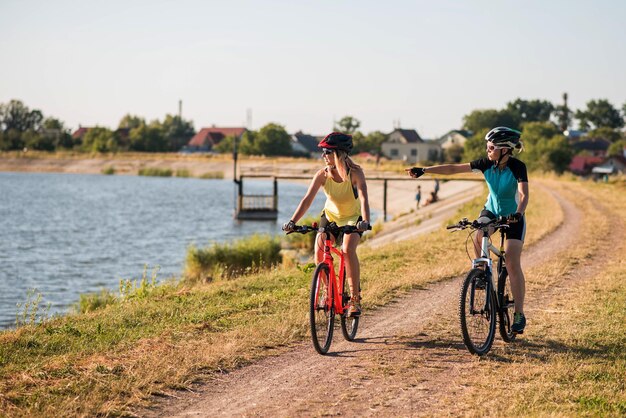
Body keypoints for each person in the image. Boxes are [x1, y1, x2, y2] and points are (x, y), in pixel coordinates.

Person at [405, 127, 529, 334]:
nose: (487, 151)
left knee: (513, 262)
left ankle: (519, 314)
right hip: (491, 211)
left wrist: (518, 213)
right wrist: (425, 170)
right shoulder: (485, 164)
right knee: (479, 232)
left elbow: (523, 195)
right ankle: (481, 273)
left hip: (514, 215)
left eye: (491, 147)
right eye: (487, 147)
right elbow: (454, 169)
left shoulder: (517, 167)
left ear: (505, 150)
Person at [283, 132, 371, 317]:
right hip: (330, 217)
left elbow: (363, 197)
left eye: (327, 152)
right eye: (323, 152)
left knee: (347, 250)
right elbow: (307, 200)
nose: (323, 156)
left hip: (353, 218)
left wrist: (365, 221)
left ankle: (355, 299)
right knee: (319, 252)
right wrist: (293, 222)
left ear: (339, 153)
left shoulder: (355, 173)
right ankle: (326, 291)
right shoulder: (322, 175)